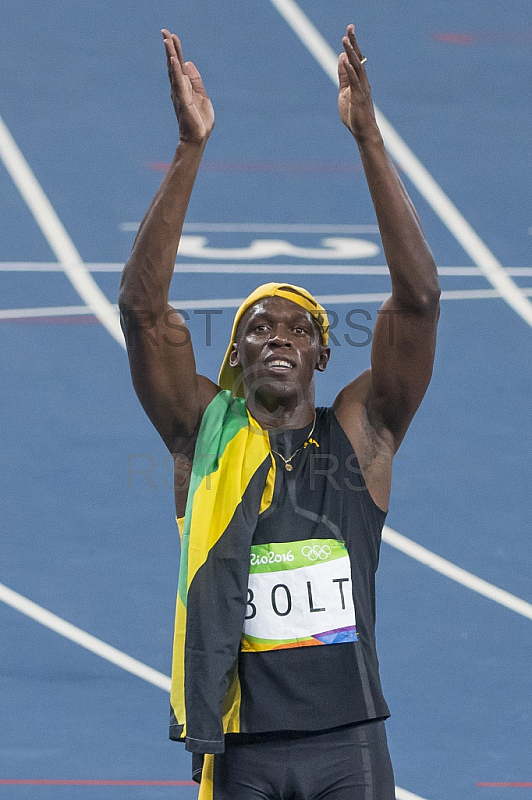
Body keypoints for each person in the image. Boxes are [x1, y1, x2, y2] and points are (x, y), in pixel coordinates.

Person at [119, 23, 440, 800]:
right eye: (257, 328)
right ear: (232, 358)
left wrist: (367, 137)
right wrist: (190, 148)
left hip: (349, 743)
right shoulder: (204, 436)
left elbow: (420, 300)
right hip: (243, 747)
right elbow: (141, 309)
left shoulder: (363, 438)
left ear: (324, 357)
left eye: (299, 327)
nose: (278, 337)